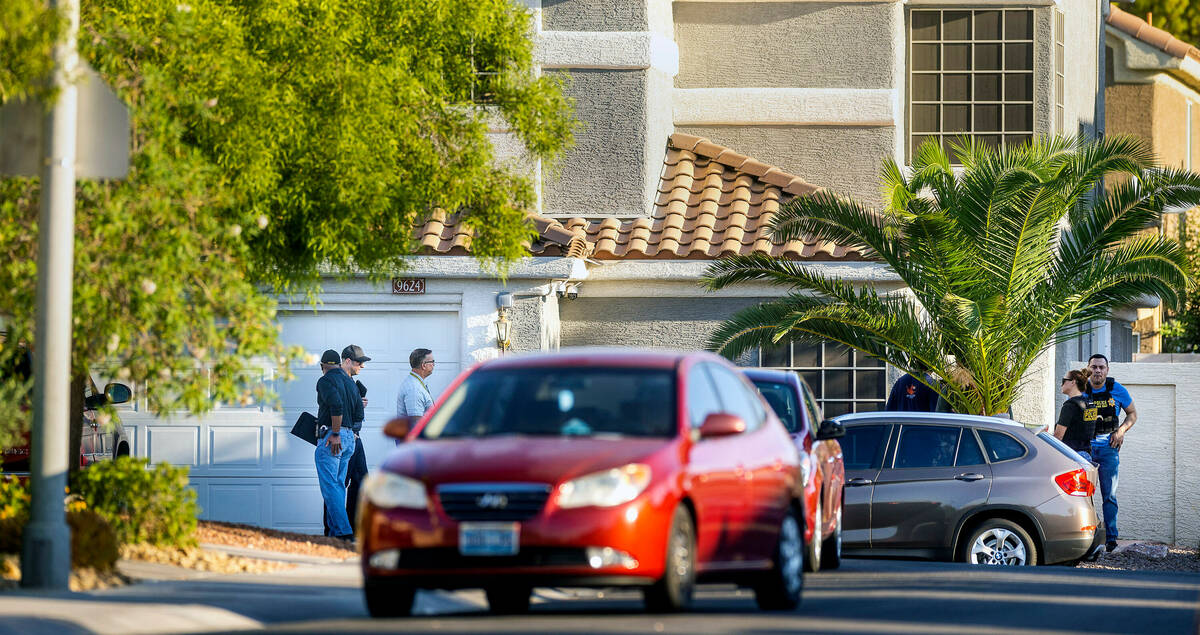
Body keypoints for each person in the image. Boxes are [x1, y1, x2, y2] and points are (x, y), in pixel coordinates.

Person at [1084, 353, 1137, 552]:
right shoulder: (1081, 388)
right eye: (1094, 367)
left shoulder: (1117, 389)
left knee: (1109, 495)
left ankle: (1111, 539)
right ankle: (1085, 536)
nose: (1097, 370)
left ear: (1107, 370)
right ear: (1088, 369)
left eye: (1101, 367)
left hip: (1108, 448)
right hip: (1084, 449)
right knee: (1083, 495)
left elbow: (1132, 414)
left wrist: (1121, 430)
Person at [323, 344, 370, 536]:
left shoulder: (351, 383)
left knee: (361, 480)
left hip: (353, 438)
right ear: (347, 361)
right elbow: (335, 407)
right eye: (359, 362)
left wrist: (360, 404)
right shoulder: (335, 380)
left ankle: (352, 527)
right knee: (336, 484)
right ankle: (334, 531)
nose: (362, 366)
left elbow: (354, 412)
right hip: (342, 437)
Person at [314, 348, 357, 541]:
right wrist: (349, 434)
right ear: (338, 365)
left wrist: (336, 433)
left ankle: (343, 532)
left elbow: (337, 405)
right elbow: (359, 414)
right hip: (349, 438)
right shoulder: (349, 381)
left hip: (334, 437)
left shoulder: (325, 380)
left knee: (331, 487)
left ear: (323, 365)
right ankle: (335, 534)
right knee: (338, 486)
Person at [1054, 367, 1097, 461]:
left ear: (1073, 382)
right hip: (1086, 456)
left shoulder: (1070, 405)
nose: (1061, 384)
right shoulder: (1089, 403)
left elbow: (1058, 436)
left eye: (1064, 380)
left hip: (1072, 456)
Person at [396, 348, 434, 422]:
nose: (434, 364)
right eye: (432, 361)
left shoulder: (416, 383)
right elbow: (416, 423)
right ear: (423, 365)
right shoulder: (414, 389)